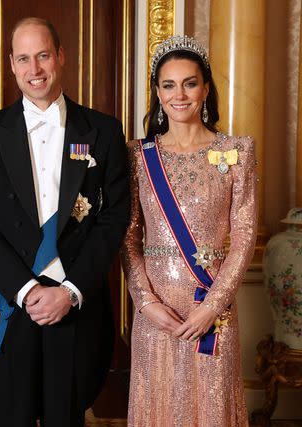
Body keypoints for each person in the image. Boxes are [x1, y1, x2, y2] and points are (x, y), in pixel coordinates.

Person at [0, 17, 130, 427]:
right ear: (11, 65)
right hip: (13, 302)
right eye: (24, 59)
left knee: (66, 418)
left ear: (61, 57)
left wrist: (70, 291)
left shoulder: (103, 131)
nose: (34, 69)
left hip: (76, 303)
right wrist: (26, 289)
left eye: (42, 56)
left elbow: (114, 218)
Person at [122, 35, 256, 426]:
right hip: (157, 312)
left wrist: (212, 306)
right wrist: (145, 303)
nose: (179, 95)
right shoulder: (138, 155)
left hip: (212, 309)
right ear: (157, 93)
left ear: (206, 87)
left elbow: (245, 236)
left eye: (190, 82)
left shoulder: (238, 151)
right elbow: (129, 238)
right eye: (168, 85)